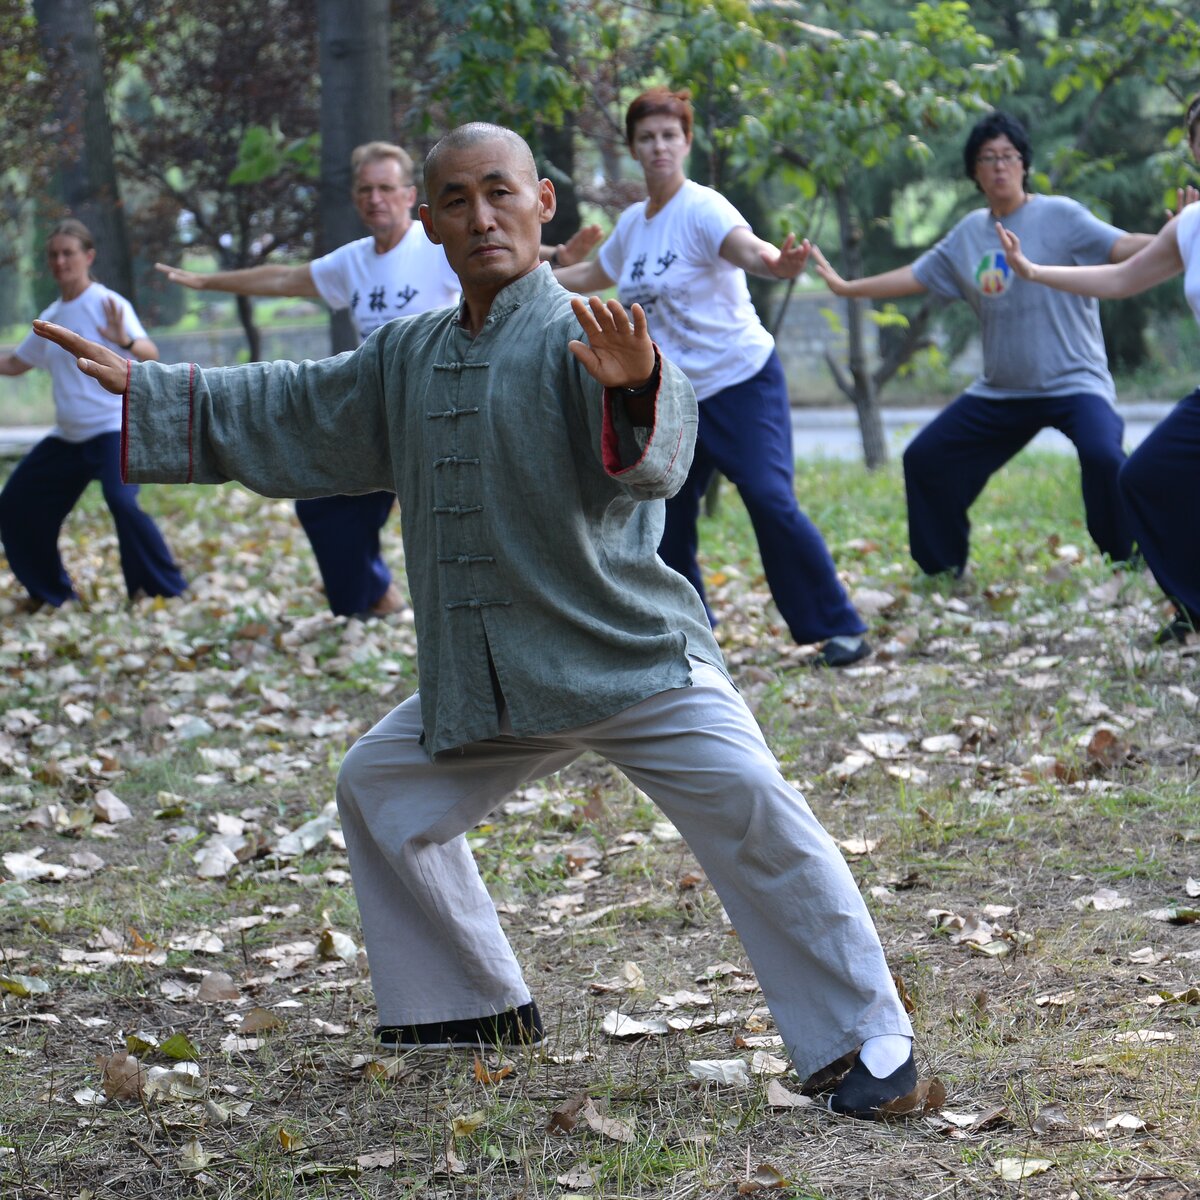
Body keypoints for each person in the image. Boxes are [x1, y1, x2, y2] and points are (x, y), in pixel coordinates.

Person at [36, 123, 921, 1120]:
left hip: (630, 656)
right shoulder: (408, 354)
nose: (480, 215)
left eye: (499, 192)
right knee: (377, 785)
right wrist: (149, 390)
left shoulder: (594, 330)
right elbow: (301, 401)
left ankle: (865, 1038)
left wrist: (636, 388)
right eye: (453, 200)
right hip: (494, 675)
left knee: (757, 805)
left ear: (543, 203)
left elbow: (661, 456)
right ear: (427, 223)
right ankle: (471, 1005)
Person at [156, 140, 601, 618]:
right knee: (328, 505)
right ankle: (374, 599)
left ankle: (382, 602)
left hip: (444, 401)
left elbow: (501, 245)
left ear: (410, 198)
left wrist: (558, 253)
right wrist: (208, 282)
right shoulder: (353, 261)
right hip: (380, 402)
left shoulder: (437, 242)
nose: (375, 199)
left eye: (386, 188)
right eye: (366, 190)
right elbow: (285, 280)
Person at [553, 88, 870, 668]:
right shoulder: (631, 225)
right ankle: (688, 632)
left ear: (686, 143)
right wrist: (524, 276)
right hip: (673, 396)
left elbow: (749, 250)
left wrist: (779, 264)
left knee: (771, 501)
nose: (658, 147)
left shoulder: (704, 208)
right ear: (632, 148)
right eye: (646, 138)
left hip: (741, 383)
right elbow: (593, 272)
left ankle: (838, 626)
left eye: (669, 136)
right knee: (662, 519)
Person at [805, 110, 1161, 580]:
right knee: (926, 458)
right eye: (987, 158)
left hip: (1075, 381)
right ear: (974, 170)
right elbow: (915, 275)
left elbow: (1121, 247)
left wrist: (1178, 237)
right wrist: (847, 287)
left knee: (1103, 454)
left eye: (1008, 156)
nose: (999, 166)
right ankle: (942, 568)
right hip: (1003, 389)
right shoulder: (969, 233)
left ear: (1024, 164)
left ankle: (1125, 557)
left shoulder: (1061, 215)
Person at [997, 97, 1200, 646]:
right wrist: (1033, 270)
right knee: (1145, 478)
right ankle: (1193, 603)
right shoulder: (1192, 225)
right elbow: (1121, 279)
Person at [0, 218, 186, 612]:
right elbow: (17, 363)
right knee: (14, 504)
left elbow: (149, 354)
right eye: (53, 254)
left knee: (122, 502)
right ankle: (51, 593)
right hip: (68, 437)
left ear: (88, 256)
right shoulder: (50, 316)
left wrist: (126, 340)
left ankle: (163, 591)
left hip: (112, 430)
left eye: (68, 253)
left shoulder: (108, 303)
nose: (60, 261)